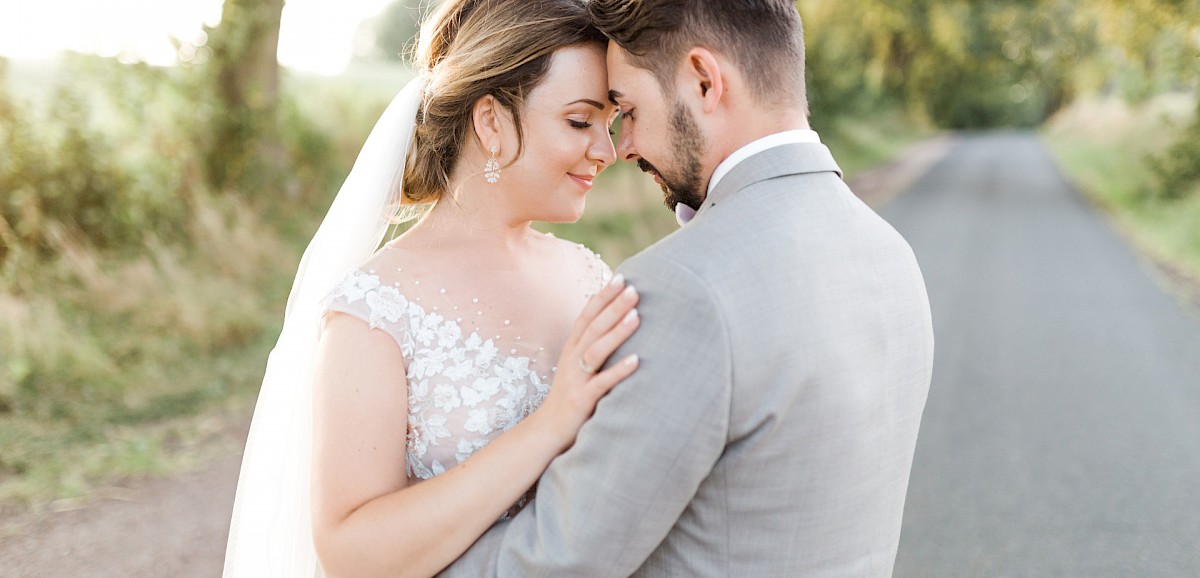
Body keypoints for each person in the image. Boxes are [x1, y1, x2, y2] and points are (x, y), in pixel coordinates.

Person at [438, 0, 935, 576]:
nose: (621, 147)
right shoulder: (890, 253)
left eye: (627, 108)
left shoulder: (683, 290)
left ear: (704, 81)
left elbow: (557, 562)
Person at [222, 1, 641, 576]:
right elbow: (350, 552)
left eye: (610, 124)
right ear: (491, 121)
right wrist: (549, 425)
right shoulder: (376, 308)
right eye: (580, 121)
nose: (606, 150)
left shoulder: (589, 275)